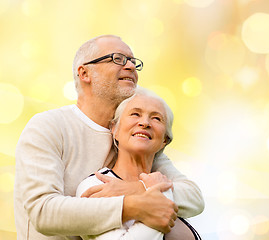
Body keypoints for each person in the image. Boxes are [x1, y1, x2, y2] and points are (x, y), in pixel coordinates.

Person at [14, 35, 204, 240]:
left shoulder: (134, 138)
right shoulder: (49, 126)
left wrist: (136, 189)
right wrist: (133, 205)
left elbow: (193, 196)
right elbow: (43, 212)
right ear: (84, 73)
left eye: (133, 61)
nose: (131, 66)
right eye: (118, 59)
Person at [76, 87, 201, 240]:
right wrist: (159, 196)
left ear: (164, 141)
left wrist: (146, 188)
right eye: (135, 114)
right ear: (115, 129)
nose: (144, 122)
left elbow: (197, 200)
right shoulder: (96, 185)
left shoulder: (164, 182)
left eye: (156, 118)